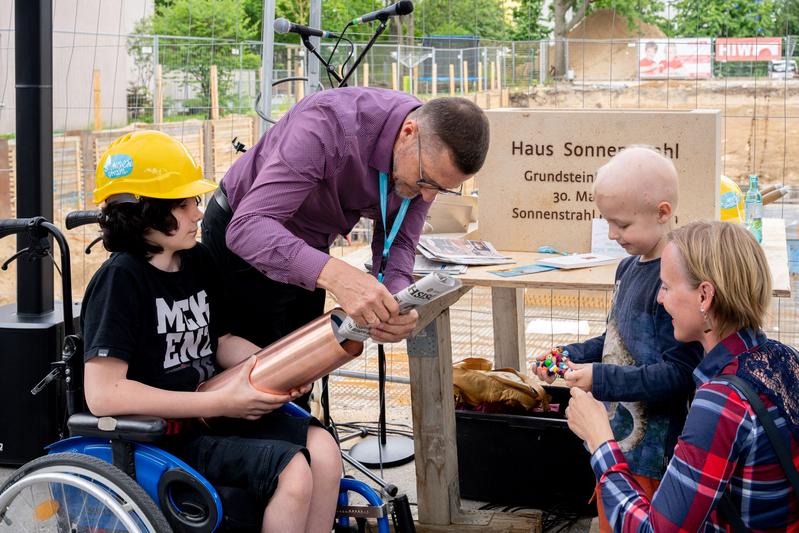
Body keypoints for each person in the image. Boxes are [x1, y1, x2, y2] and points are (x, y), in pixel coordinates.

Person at [81, 131, 343, 533]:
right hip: (165, 437)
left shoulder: (198, 260)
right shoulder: (120, 281)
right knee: (292, 470)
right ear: (143, 210)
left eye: (195, 202)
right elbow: (103, 395)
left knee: (324, 450)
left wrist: (282, 368)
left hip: (213, 416)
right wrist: (219, 402)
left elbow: (219, 342)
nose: (198, 214)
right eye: (183, 205)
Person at [201, 87, 490, 353]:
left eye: (441, 188)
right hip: (242, 244)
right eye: (426, 180)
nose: (426, 198)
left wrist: (397, 301)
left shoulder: (424, 155)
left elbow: (400, 240)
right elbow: (248, 228)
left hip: (307, 249)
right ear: (408, 133)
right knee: (247, 383)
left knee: (298, 374)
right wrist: (339, 277)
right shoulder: (328, 125)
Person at [567, 220, 799, 531]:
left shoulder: (721, 401)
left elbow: (657, 529)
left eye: (665, 286)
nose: (660, 299)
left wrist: (601, 442)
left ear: (704, 296)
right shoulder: (785, 359)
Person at [534, 146, 703, 532]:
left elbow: (678, 375)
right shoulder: (628, 267)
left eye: (622, 225)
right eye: (607, 222)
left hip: (651, 456)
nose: (612, 235)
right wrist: (572, 355)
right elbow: (617, 339)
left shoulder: (674, 284)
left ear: (663, 213)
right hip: (613, 441)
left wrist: (600, 378)